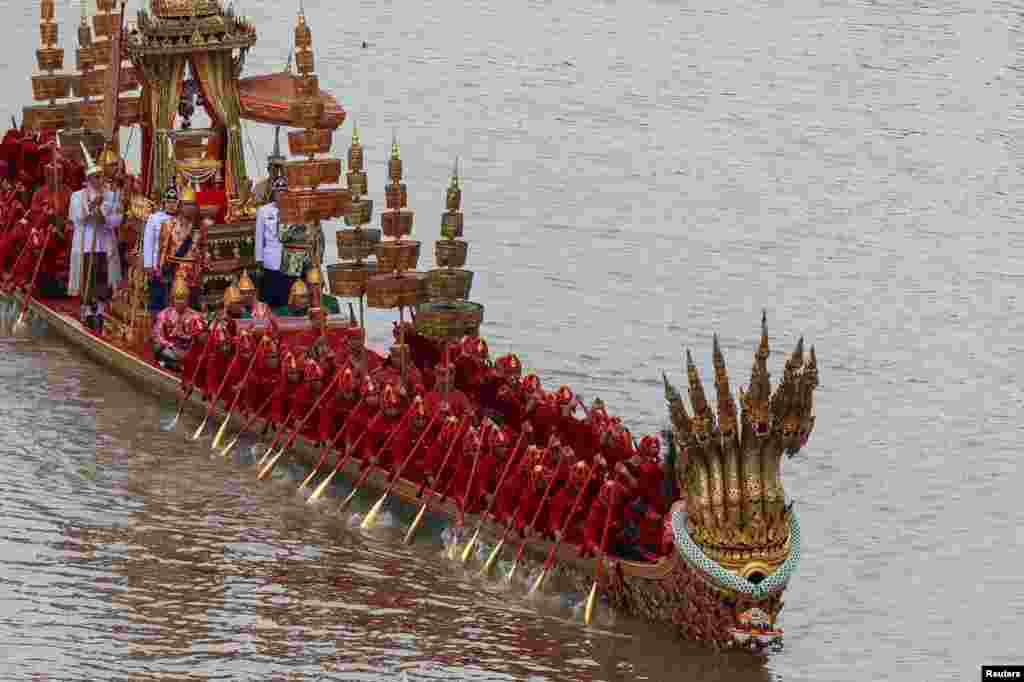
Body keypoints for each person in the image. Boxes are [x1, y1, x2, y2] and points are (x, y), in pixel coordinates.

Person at [68, 145, 123, 327]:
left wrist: (103, 212)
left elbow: (116, 219)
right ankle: (86, 310)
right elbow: (78, 217)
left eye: (100, 176)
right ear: (88, 178)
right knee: (87, 278)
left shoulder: (112, 196)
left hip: (104, 244)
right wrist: (93, 206)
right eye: (94, 177)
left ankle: (100, 311)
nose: (98, 180)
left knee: (103, 279)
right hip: (85, 244)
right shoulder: (77, 196)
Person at [151, 273, 202, 371]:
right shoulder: (164, 314)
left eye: (183, 298)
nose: (180, 302)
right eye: (177, 298)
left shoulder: (195, 316)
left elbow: (198, 339)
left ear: (188, 299)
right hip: (170, 350)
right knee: (157, 347)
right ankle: (169, 366)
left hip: (188, 351)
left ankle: (181, 367)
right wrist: (173, 347)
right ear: (172, 299)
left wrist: (187, 352)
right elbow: (157, 335)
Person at [255, 175, 290, 307]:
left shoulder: (294, 210)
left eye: (283, 191)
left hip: (289, 259)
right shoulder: (264, 211)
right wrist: (259, 259)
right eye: (277, 191)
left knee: (288, 296)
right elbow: (259, 237)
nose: (280, 194)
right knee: (271, 297)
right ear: (273, 192)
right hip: (271, 259)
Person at [142, 178, 177, 310]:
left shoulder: (180, 219)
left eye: (174, 202)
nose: (171, 205)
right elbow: (148, 242)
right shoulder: (154, 218)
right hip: (158, 265)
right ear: (164, 202)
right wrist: (148, 265)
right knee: (157, 298)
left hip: (175, 265)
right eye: (169, 201)